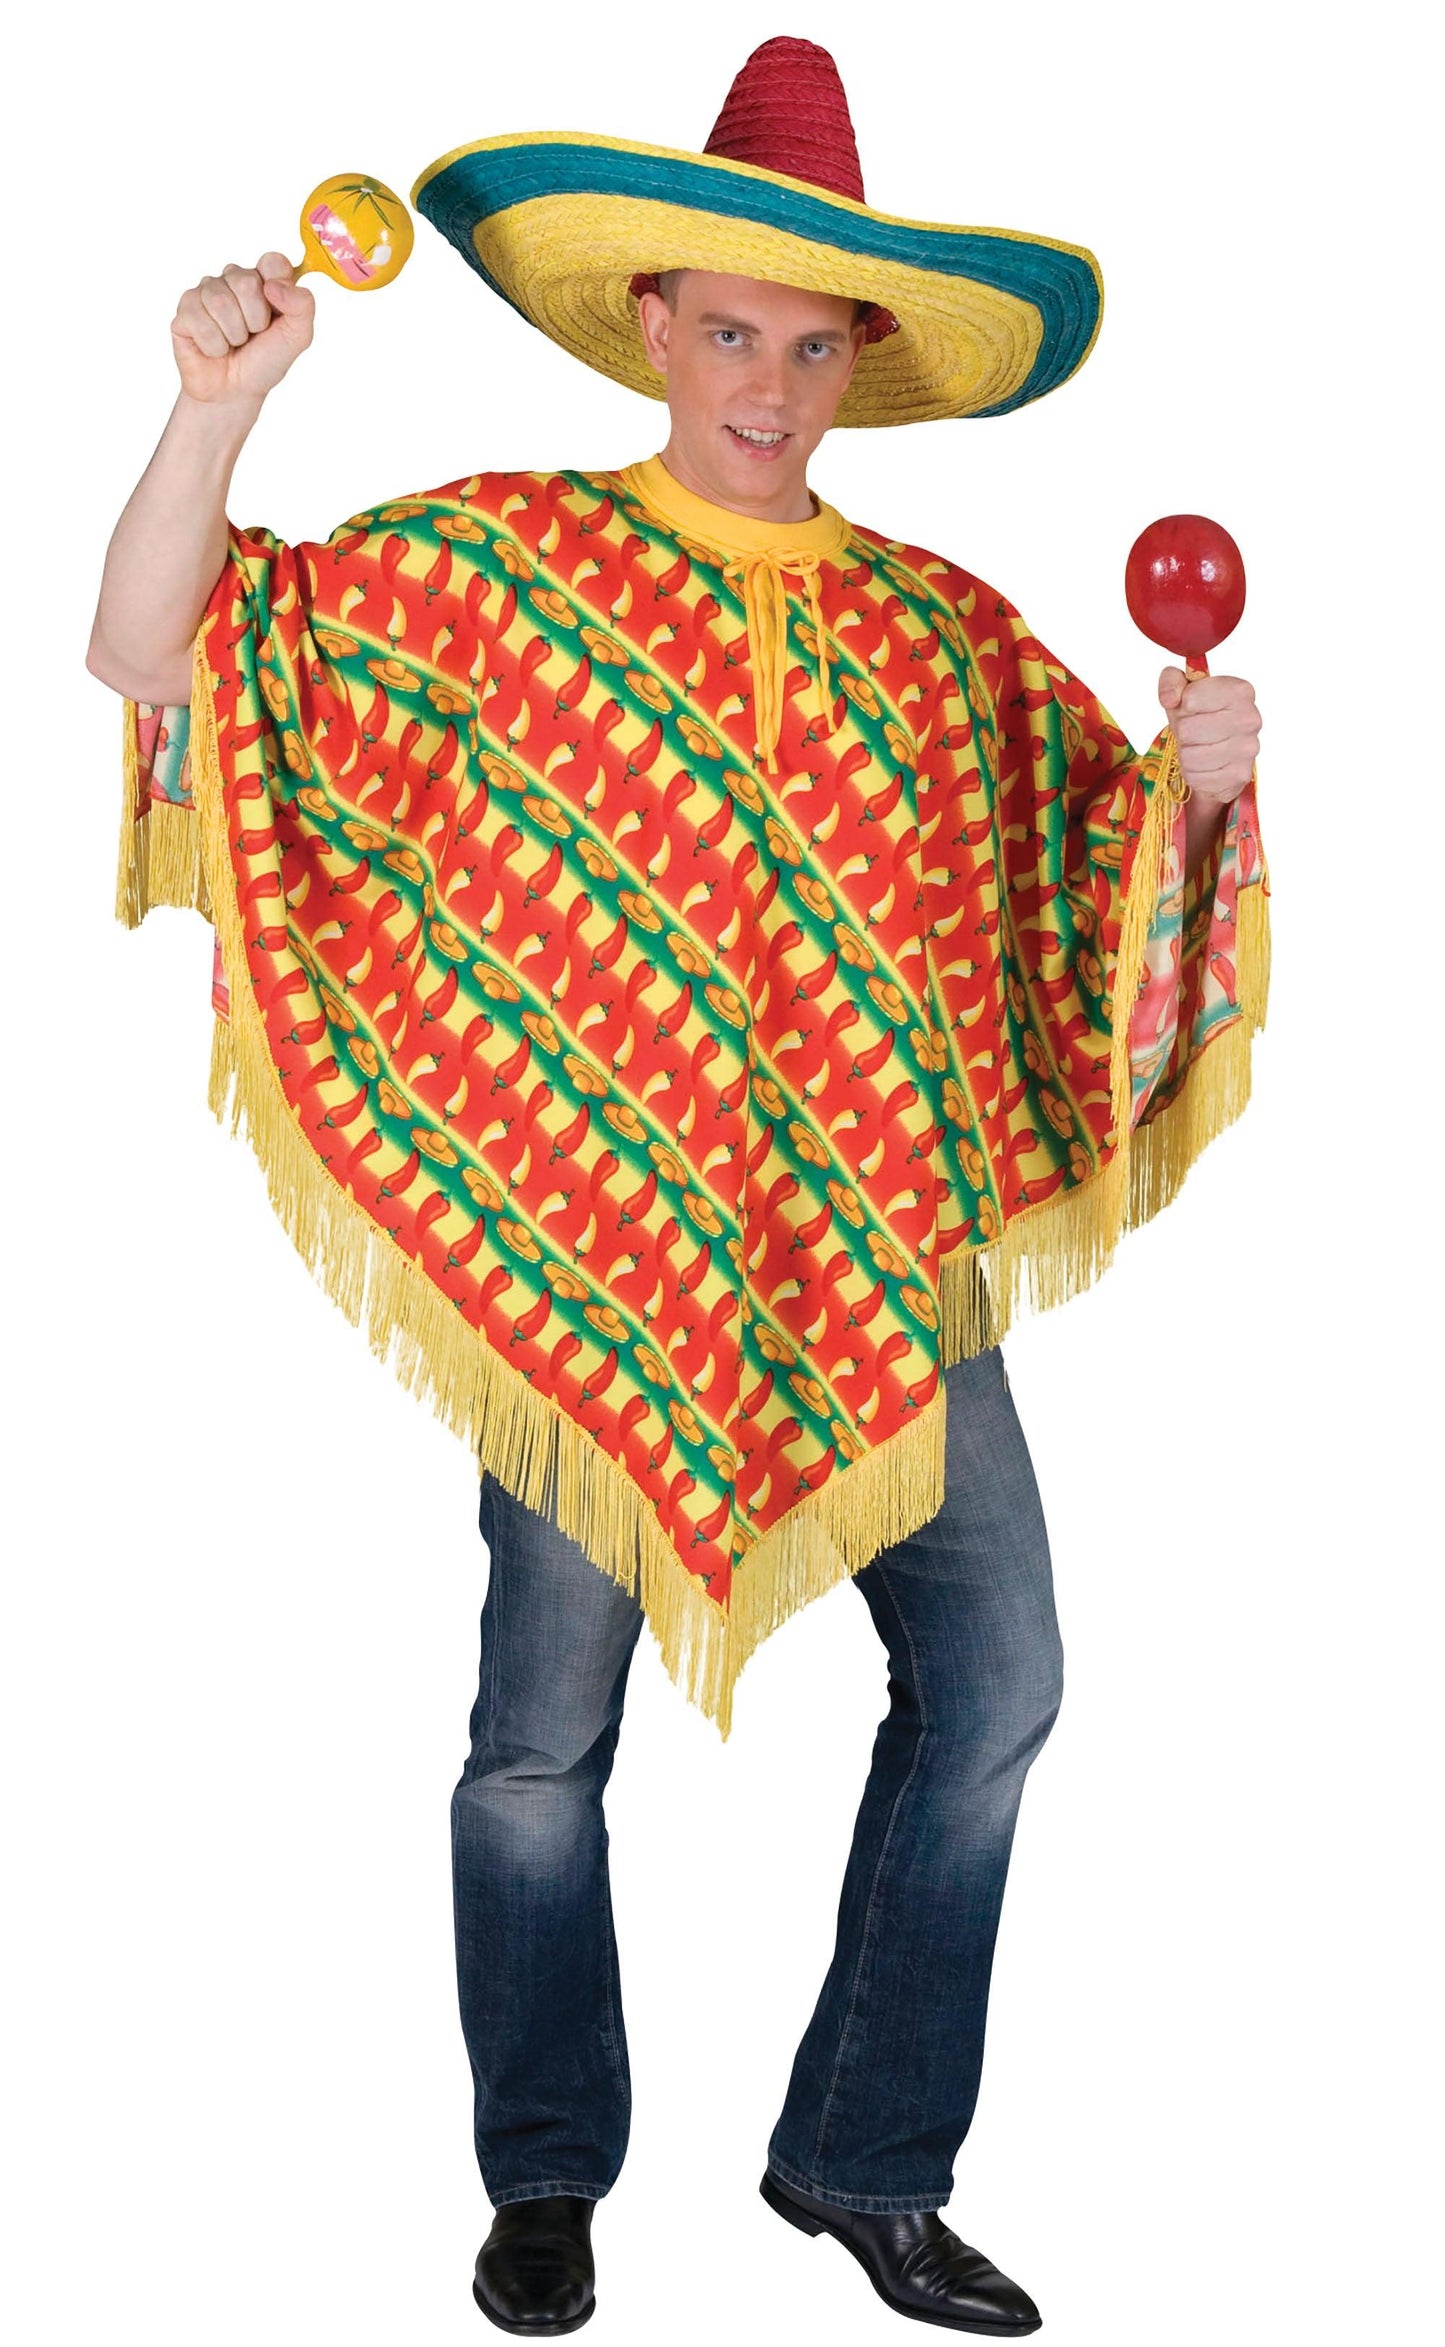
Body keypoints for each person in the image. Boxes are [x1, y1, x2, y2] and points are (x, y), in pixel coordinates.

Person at [88, 35, 1267, 2339]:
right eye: (731, 332)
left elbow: (1106, 889)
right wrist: (213, 410)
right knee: (537, 1749)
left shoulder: (941, 636)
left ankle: (864, 2160)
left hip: (880, 1268)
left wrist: (1203, 783)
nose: (767, 387)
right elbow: (156, 649)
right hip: (589, 1269)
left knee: (1001, 1680)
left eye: (812, 348)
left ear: (860, 362)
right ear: (651, 323)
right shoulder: (511, 572)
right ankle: (545, 2172)